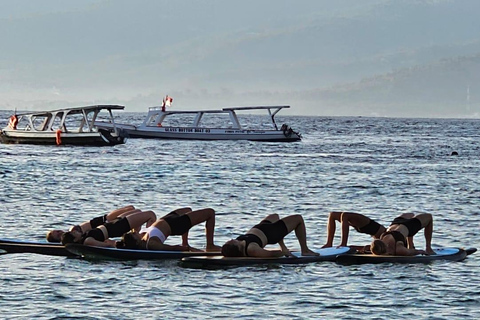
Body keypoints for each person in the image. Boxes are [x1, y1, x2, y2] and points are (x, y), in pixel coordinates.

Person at [121, 208, 221, 252]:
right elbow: (172, 248)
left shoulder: (142, 237)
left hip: (168, 219)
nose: (135, 232)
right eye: (134, 234)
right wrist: (189, 250)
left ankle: (185, 242)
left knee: (188, 210)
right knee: (210, 213)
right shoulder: (151, 244)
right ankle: (210, 245)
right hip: (176, 225)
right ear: (136, 242)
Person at [221, 214, 318, 258]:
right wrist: (283, 252)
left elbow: (224, 250)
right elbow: (270, 254)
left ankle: (282, 243)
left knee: (274, 216)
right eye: (230, 241)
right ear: (235, 246)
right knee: (298, 219)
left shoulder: (239, 243)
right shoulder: (251, 249)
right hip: (272, 233)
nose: (230, 239)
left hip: (265, 227)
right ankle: (305, 250)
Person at [61, 210, 157, 247]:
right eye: (74, 234)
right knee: (150, 215)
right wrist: (114, 244)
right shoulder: (87, 240)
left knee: (138, 211)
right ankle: (147, 242)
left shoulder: (85, 237)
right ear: (75, 239)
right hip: (116, 228)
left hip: (112, 224)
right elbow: (106, 245)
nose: (77, 232)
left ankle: (137, 239)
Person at [46, 205, 138, 242]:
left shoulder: (71, 232)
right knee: (132, 211)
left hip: (101, 220)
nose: (60, 232)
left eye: (57, 231)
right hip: (105, 222)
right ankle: (136, 236)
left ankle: (136, 234)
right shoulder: (73, 235)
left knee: (131, 208)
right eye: (57, 235)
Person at [371, 213, 435, 256]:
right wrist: (422, 252)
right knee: (429, 217)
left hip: (398, 224)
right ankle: (428, 248)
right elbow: (414, 252)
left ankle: (411, 245)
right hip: (401, 226)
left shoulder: (397, 249)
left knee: (412, 214)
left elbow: (413, 252)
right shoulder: (399, 249)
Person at [321, 212, 386, 248]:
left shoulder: (386, 242)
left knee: (344, 215)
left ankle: (343, 243)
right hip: (375, 228)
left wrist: (352, 248)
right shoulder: (387, 238)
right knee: (332, 215)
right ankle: (329, 243)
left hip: (377, 232)